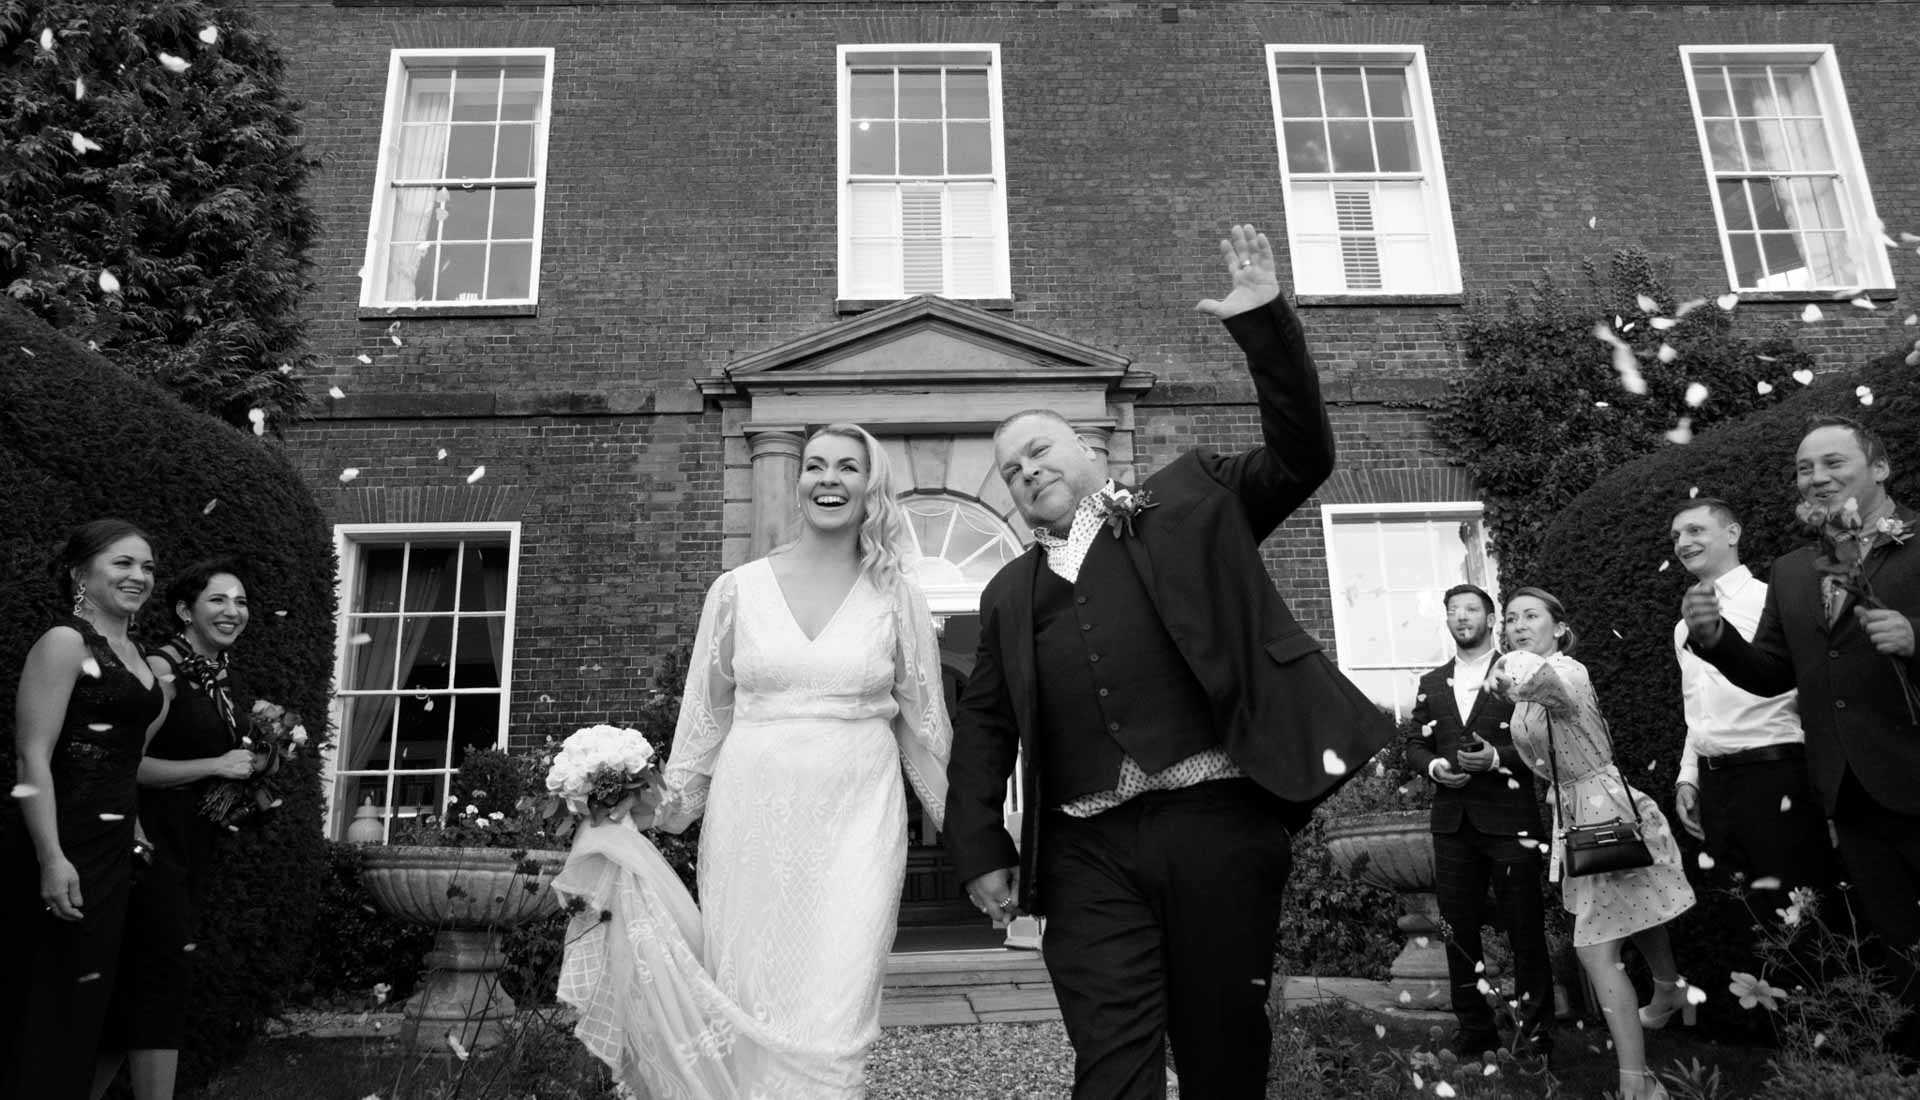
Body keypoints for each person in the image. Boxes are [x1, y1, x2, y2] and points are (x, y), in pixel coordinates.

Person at [943, 225, 1394, 1099]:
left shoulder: (1191, 502)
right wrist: (978, 848)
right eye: (1009, 470)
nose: (1026, 470)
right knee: (1111, 1062)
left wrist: (1265, 321)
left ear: (1091, 450)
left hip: (1216, 823)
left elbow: (1306, 456)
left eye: (1039, 449)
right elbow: (985, 726)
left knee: (1223, 1051)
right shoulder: (1005, 595)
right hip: (1083, 849)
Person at [553, 423, 952, 1099]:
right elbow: (703, 726)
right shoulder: (736, 590)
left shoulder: (899, 597)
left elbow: (925, 733)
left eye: (848, 467)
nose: (829, 478)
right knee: (749, 997)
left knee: (838, 1007)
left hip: (857, 827)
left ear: (870, 486)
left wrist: (977, 846)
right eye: (816, 465)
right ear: (798, 484)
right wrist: (649, 803)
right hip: (750, 825)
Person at [1683, 415, 1920, 1064]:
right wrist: (1717, 642)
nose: (1815, 478)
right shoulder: (1792, 570)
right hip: (1851, 791)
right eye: (1803, 469)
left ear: (1880, 468)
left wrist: (1917, 637)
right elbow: (1774, 673)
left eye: (1832, 463)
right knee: (1897, 942)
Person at [1493, 587, 1695, 1100]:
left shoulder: (1566, 671)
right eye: (1512, 618)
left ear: (1559, 628)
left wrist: (1504, 674)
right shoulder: (1526, 680)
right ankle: (1668, 987)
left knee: (1594, 952)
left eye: (1531, 617)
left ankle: (1638, 1083)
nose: (1518, 625)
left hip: (1602, 806)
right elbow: (1542, 749)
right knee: (1634, 909)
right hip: (1574, 809)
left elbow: (1549, 691)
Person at [2, 520, 168, 1100]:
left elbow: (125, 758)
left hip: (115, 849)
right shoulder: (65, 641)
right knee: (50, 1003)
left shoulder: (137, 651)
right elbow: (31, 758)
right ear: (80, 573)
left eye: (147, 567)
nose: (139, 576)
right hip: (63, 840)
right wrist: (51, 857)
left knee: (90, 1005)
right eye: (123, 563)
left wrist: (138, 831)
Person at [93, 560, 261, 1100]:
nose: (232, 611)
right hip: (150, 850)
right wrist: (215, 766)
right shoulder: (163, 670)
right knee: (161, 988)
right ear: (186, 611)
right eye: (218, 600)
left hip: (193, 849)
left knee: (134, 999)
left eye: (239, 601)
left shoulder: (220, 677)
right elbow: (126, 764)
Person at [1406, 583, 1554, 1061]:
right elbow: (1414, 743)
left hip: (1510, 819)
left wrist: (1496, 759)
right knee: (1455, 929)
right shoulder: (1431, 683)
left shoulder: (1523, 672)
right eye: (1453, 611)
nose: (1461, 616)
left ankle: (1535, 1035)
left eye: (1471, 609)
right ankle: (1475, 1030)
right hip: (1452, 824)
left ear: (1492, 621)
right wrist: (1432, 768)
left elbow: (1547, 742)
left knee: (1524, 927)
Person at [1667, 499, 1830, 912]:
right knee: (1744, 920)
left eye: (1695, 531)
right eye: (1676, 537)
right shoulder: (1683, 626)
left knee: (1801, 913)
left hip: (1777, 775)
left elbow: (1811, 693)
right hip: (1716, 787)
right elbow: (1698, 709)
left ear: (1733, 533)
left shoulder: (1771, 602)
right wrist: (1689, 777)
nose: (1683, 542)